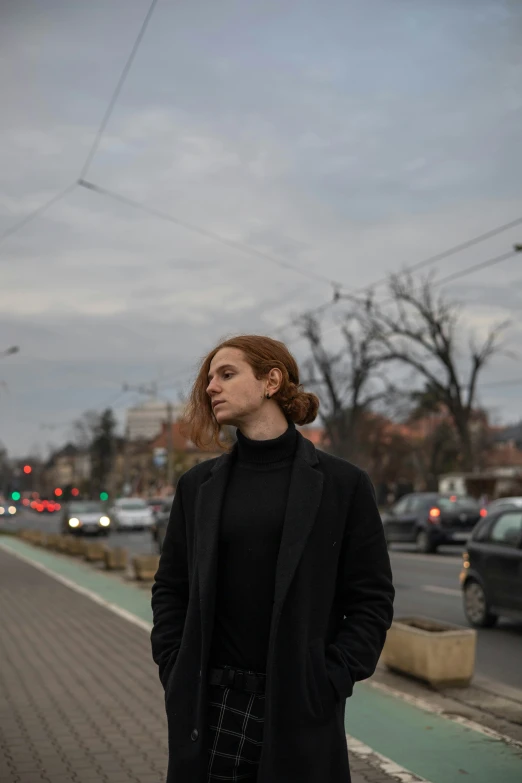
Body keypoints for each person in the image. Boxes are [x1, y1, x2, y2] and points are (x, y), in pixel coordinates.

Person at [150, 335, 394, 783]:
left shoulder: (343, 485)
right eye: (209, 379)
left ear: (271, 381)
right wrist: (173, 663)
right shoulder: (196, 486)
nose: (210, 388)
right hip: (208, 707)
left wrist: (330, 679)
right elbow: (171, 588)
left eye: (227, 374)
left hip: (298, 705)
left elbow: (371, 598)